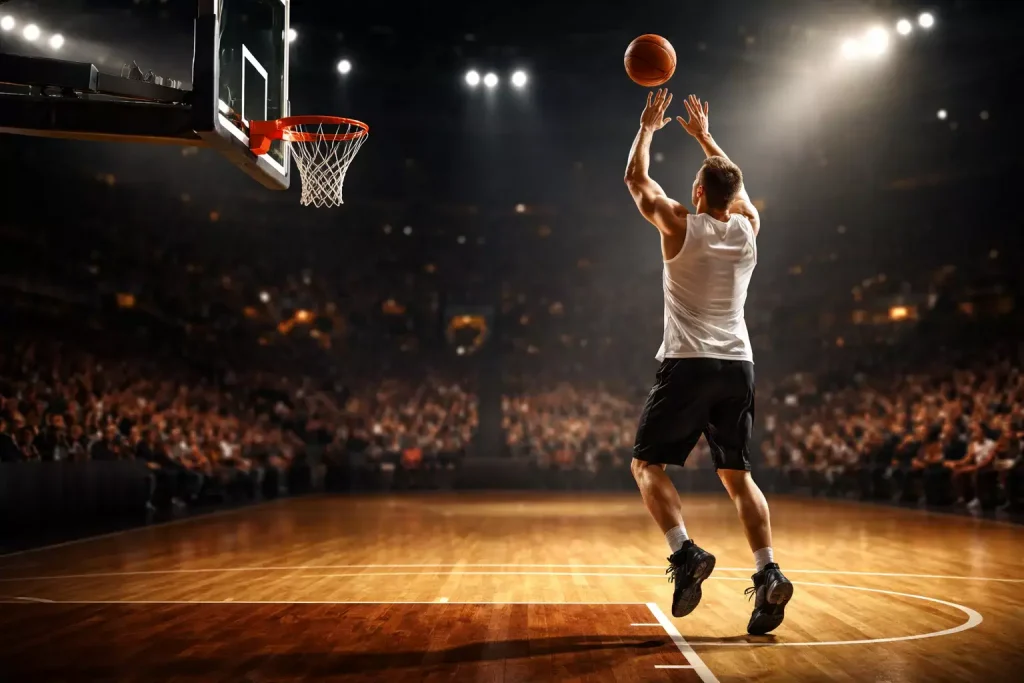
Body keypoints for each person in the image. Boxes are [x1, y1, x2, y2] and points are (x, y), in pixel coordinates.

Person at [623, 89, 792, 635]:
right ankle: (768, 572)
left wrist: (649, 126)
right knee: (738, 476)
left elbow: (635, 180)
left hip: (689, 362)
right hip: (737, 365)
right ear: (733, 195)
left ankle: (685, 553)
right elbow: (734, 185)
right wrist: (704, 138)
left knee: (647, 466)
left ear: (696, 192)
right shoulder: (747, 229)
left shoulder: (679, 223)